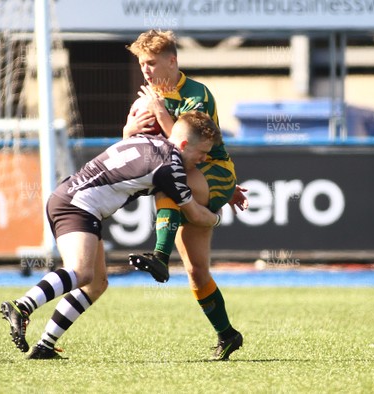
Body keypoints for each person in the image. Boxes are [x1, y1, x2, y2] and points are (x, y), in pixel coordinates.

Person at [0, 111, 223, 359]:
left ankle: (44, 346)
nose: (203, 159)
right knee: (82, 272)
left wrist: (129, 128)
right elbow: (194, 214)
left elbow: (128, 145)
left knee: (96, 284)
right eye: (202, 152)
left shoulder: (151, 140)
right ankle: (22, 307)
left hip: (73, 199)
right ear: (183, 145)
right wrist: (217, 215)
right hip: (77, 205)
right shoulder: (170, 168)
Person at [123, 29, 247, 361]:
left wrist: (159, 109)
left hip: (215, 172)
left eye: (151, 63)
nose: (146, 70)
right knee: (196, 270)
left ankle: (160, 257)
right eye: (141, 64)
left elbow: (186, 146)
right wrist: (128, 131)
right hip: (191, 180)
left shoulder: (196, 94)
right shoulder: (147, 98)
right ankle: (228, 334)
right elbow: (131, 143)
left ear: (172, 61)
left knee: (167, 180)